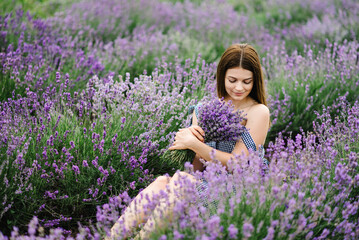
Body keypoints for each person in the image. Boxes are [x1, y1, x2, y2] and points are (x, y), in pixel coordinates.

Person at [107, 43, 270, 239]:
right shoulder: (205, 109)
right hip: (207, 186)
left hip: (238, 192)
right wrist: (193, 142)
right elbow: (195, 170)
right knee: (162, 182)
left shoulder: (258, 112)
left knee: (181, 182)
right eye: (232, 80)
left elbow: (238, 164)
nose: (238, 87)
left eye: (247, 81)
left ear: (255, 81)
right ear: (222, 77)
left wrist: (194, 144)